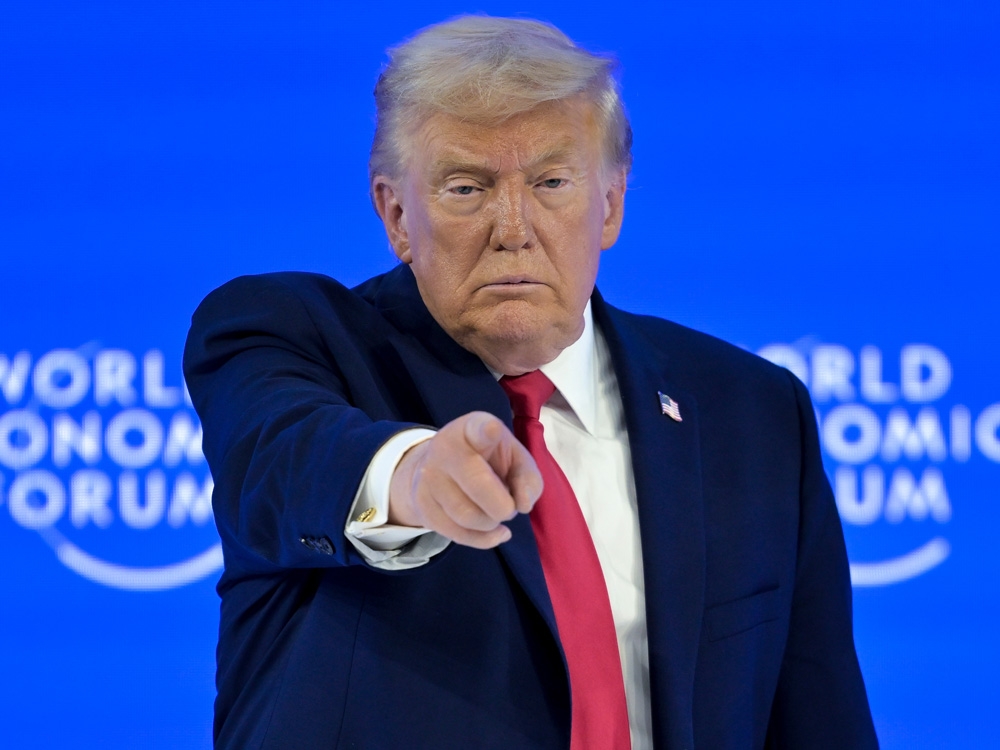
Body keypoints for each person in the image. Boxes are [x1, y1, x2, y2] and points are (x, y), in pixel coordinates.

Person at [184, 15, 878, 750]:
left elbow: (818, 716)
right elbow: (285, 451)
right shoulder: (290, 336)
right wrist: (415, 477)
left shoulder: (753, 411)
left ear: (609, 203)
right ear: (395, 214)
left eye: (550, 181)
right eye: (465, 188)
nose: (513, 227)